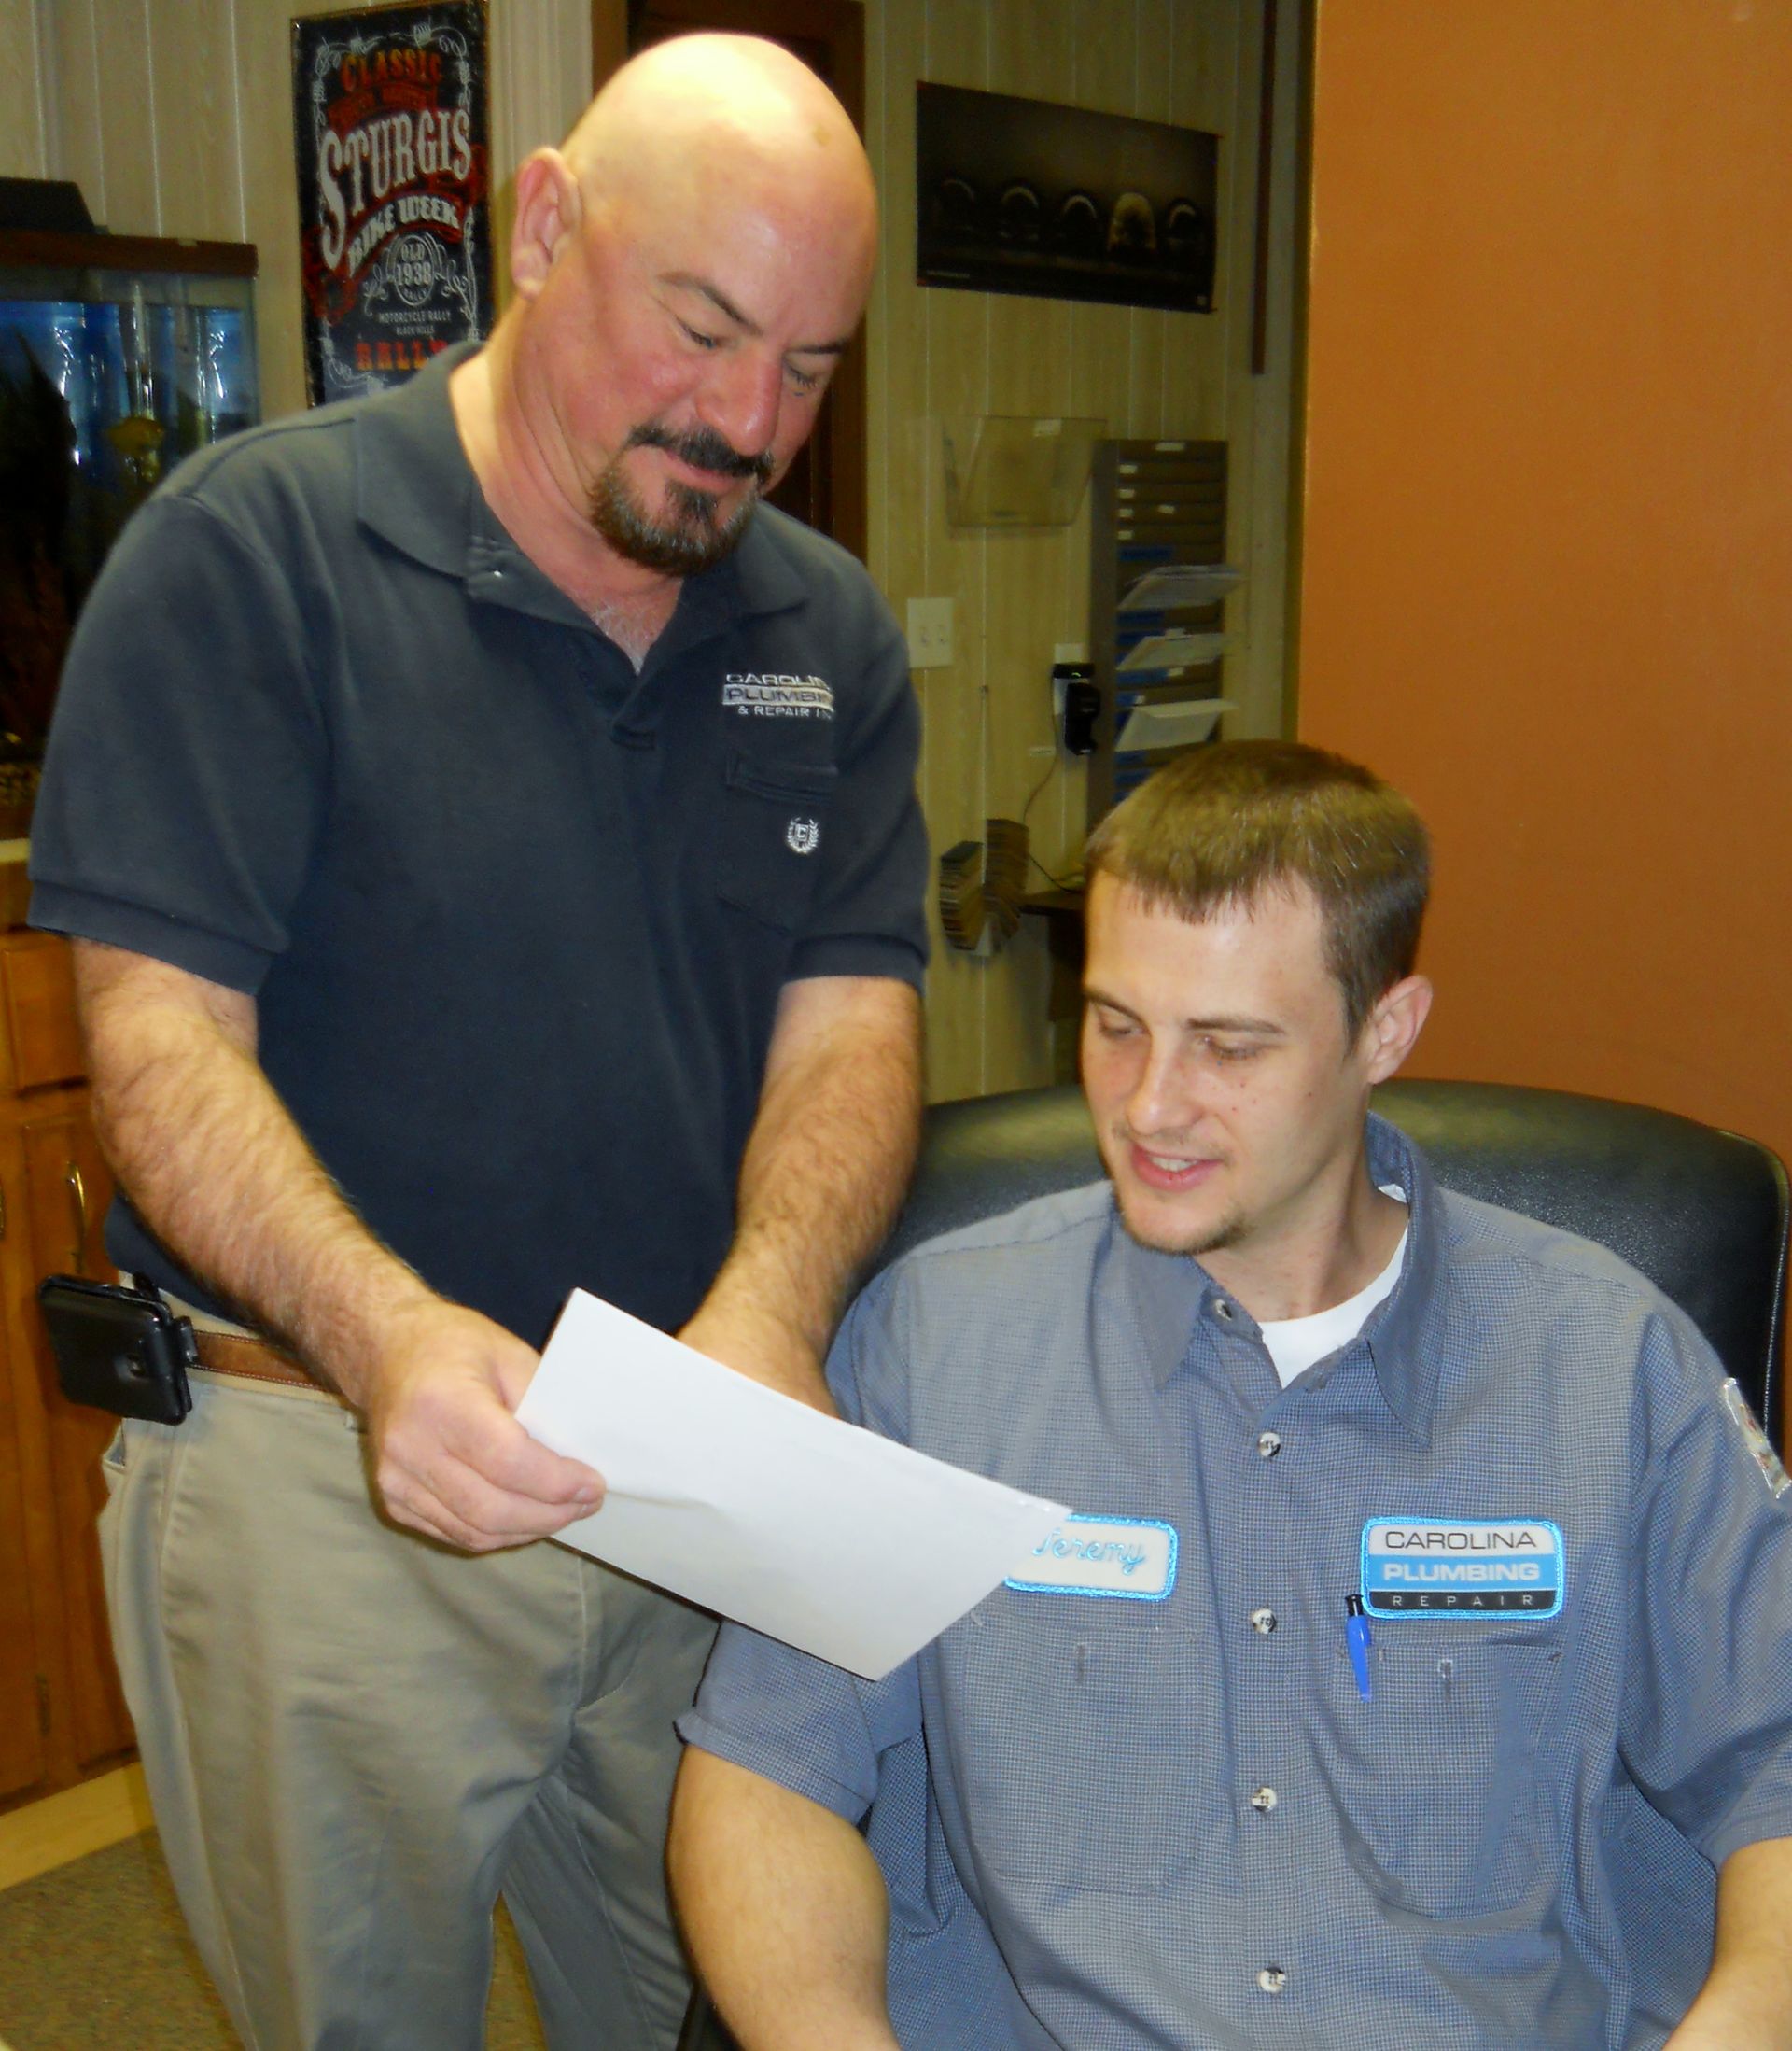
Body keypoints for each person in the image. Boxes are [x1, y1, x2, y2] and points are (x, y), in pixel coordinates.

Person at [28, 33, 927, 2051]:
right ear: (540, 226)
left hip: (689, 1485)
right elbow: (159, 1045)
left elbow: (850, 1019)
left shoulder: (828, 639)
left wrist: (776, 1315)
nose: (745, 420)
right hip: (324, 1463)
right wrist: (385, 1334)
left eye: (808, 366)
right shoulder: (248, 559)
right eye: (703, 329)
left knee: (708, 2009)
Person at [669, 740, 1792, 2051]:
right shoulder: (938, 1341)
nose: (1149, 1106)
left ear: (1386, 1030)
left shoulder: (1607, 1364)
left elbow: (1775, 1774)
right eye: (1114, 1023)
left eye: (1229, 1045)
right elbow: (764, 1768)